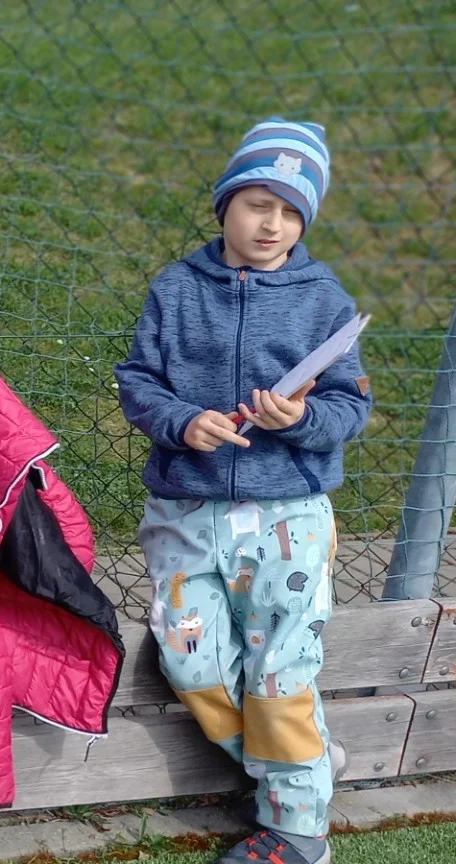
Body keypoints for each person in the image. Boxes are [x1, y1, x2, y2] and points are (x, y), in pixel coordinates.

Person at [115, 118, 367, 864]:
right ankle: (303, 764)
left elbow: (350, 407)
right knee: (188, 661)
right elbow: (138, 381)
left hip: (289, 520)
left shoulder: (323, 298)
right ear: (225, 203)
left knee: (281, 671)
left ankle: (299, 827)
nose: (272, 223)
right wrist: (181, 422)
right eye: (259, 203)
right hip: (185, 513)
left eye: (291, 211)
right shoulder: (176, 288)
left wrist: (302, 419)